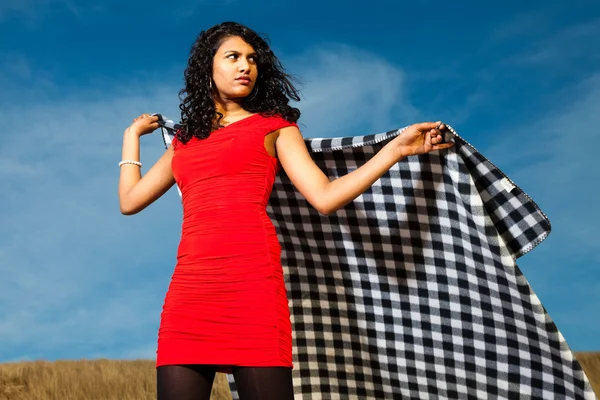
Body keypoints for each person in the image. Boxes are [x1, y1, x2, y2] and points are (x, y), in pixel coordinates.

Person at [118, 21, 453, 400]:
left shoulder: (274, 128)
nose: (246, 66)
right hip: (190, 292)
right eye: (233, 57)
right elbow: (130, 202)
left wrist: (394, 150)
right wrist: (131, 139)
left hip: (252, 286)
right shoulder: (184, 141)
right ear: (207, 67)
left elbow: (325, 197)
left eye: (252, 59)